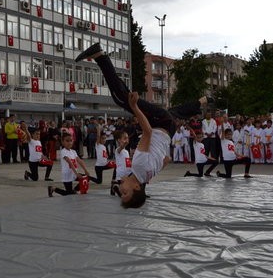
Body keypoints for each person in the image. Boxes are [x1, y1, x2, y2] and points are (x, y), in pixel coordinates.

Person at [76, 43, 208, 208]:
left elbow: (166, 159)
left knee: (174, 111)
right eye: (125, 192)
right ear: (136, 186)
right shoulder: (139, 166)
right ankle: (100, 56)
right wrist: (135, 108)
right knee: (122, 99)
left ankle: (201, 101)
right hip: (160, 123)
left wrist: (158, 156)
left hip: (168, 129)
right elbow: (147, 132)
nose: (121, 189)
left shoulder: (145, 176)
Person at [48, 133, 91, 197]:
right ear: (62, 142)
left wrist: (85, 170)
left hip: (74, 173)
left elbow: (79, 161)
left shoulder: (73, 151)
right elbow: (70, 162)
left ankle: (74, 190)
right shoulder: (63, 151)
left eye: (71, 140)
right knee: (69, 194)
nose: (69, 143)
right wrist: (77, 174)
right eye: (67, 141)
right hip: (67, 175)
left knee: (87, 177)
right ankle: (53, 188)